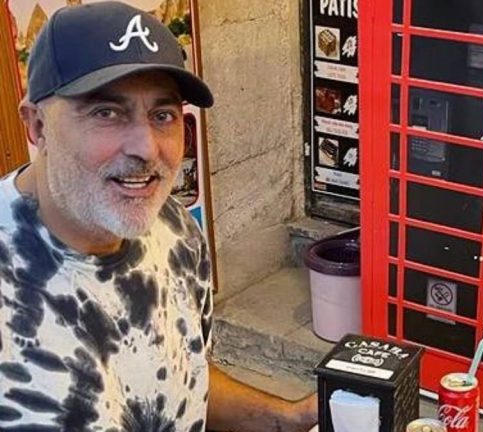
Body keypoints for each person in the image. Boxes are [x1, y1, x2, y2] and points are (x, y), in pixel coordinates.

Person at [0, 2, 316, 431]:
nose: (147, 148)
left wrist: (290, 418)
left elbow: (182, 376)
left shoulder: (175, 229)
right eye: (106, 113)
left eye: (162, 115)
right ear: (37, 125)